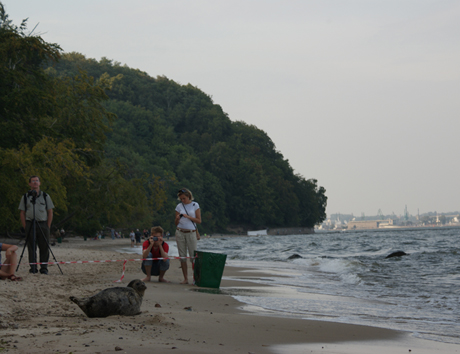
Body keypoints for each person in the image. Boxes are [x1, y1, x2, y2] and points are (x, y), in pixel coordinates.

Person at [18, 175, 55, 275]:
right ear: (29, 183)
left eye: (37, 181)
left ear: (40, 183)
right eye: (33, 181)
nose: (35, 182)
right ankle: (33, 267)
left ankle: (44, 268)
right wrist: (25, 226)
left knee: (44, 246)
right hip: (30, 223)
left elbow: (50, 211)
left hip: (43, 223)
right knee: (31, 247)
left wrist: (48, 225)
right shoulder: (25, 197)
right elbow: (22, 212)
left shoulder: (45, 196)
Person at [175, 188, 201, 284]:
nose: (182, 200)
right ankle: (185, 278)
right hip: (180, 231)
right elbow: (175, 223)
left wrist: (188, 216)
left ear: (188, 196)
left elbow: (199, 220)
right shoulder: (179, 206)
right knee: (182, 256)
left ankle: (196, 278)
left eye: (184, 198)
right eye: (181, 199)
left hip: (191, 232)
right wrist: (178, 218)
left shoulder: (195, 205)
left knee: (193, 256)